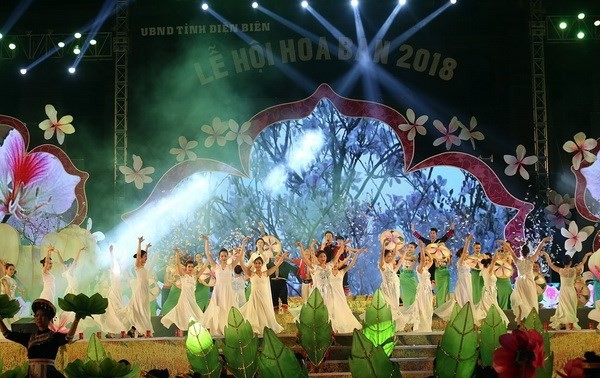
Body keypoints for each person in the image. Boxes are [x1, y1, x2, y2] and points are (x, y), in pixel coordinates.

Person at [0, 298, 81, 378]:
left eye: (42, 315)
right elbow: (7, 334)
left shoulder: (54, 336)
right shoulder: (29, 337)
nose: (39, 318)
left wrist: (76, 319)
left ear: (49, 319)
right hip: (32, 374)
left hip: (50, 374)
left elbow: (69, 337)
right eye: (37, 315)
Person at [200, 235, 247, 336]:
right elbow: (207, 254)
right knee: (218, 309)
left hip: (228, 291)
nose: (224, 257)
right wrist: (207, 241)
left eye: (225, 256)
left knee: (228, 309)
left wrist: (243, 243)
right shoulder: (215, 266)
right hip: (218, 291)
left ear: (228, 256)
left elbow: (240, 255)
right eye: (222, 256)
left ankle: (228, 328)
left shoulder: (231, 266)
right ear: (219, 257)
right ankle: (217, 329)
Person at [240, 253, 289, 335]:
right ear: (254, 264)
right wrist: (240, 256)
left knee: (264, 312)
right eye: (256, 263)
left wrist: (283, 257)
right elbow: (243, 266)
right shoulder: (251, 273)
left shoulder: (265, 273)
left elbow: (276, 266)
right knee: (254, 312)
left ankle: (265, 327)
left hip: (263, 296)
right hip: (254, 296)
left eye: (259, 263)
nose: (257, 265)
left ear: (262, 264)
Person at [506, 236, 552, 321]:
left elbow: (511, 251)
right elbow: (538, 249)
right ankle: (532, 321)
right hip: (529, 283)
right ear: (528, 252)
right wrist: (543, 240)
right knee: (531, 302)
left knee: (520, 302)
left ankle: (520, 322)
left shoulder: (517, 261)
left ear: (521, 252)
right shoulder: (531, 260)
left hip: (520, 283)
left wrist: (504, 243)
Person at [544, 251, 593, 330]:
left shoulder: (561, 270)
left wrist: (546, 255)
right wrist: (586, 254)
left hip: (563, 292)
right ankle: (569, 326)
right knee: (571, 308)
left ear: (563, 262)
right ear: (571, 262)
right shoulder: (574, 270)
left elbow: (550, 264)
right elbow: (583, 262)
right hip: (571, 291)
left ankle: (566, 325)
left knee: (564, 308)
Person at [161, 249, 207, 331]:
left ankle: (193, 331)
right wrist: (177, 254)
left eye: (192, 267)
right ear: (185, 267)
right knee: (183, 315)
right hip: (184, 299)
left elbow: (203, 268)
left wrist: (208, 257)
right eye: (189, 266)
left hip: (192, 299)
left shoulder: (195, 277)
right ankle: (182, 331)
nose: (190, 268)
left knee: (197, 315)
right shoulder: (183, 276)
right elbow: (178, 263)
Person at [434, 235, 474, 321]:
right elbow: (463, 254)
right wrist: (468, 241)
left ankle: (467, 315)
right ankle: (460, 315)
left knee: (468, 298)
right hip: (462, 283)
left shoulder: (467, 262)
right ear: (461, 254)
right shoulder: (460, 262)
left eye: (467, 252)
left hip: (468, 282)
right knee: (461, 299)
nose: (467, 254)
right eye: (465, 252)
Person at [122, 236, 154, 337]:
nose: (146, 258)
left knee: (143, 309)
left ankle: (134, 329)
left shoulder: (143, 267)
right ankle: (139, 330)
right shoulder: (138, 266)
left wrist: (147, 248)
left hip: (144, 289)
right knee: (140, 309)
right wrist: (139, 243)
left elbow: (144, 255)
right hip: (140, 290)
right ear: (140, 258)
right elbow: (139, 254)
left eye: (146, 257)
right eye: (144, 257)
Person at [327, 247, 363, 333]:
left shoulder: (342, 272)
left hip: (340, 295)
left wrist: (356, 255)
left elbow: (351, 264)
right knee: (333, 311)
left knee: (343, 309)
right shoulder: (327, 272)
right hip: (331, 295)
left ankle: (345, 326)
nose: (335, 264)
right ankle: (334, 328)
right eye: (334, 263)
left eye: (337, 263)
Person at [401, 240, 434, 332]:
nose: (426, 261)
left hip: (428, 291)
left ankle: (426, 327)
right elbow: (423, 260)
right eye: (425, 260)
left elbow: (431, 260)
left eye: (427, 260)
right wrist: (422, 249)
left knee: (428, 309)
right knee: (422, 308)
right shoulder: (419, 268)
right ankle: (419, 327)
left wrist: (426, 250)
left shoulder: (426, 268)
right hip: (422, 291)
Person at [96, 244, 125, 338]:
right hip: (113, 293)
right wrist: (111, 253)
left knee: (117, 312)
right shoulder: (114, 270)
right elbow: (113, 263)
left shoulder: (120, 271)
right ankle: (111, 332)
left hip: (118, 293)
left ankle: (111, 332)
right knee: (113, 312)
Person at [378, 242, 406, 332]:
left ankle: (393, 325)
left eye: (391, 256)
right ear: (384, 257)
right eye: (388, 256)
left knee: (396, 306)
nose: (390, 258)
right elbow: (382, 254)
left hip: (395, 288)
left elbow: (400, 260)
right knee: (390, 307)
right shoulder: (382, 266)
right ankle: (387, 325)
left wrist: (398, 247)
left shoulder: (392, 267)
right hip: (388, 289)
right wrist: (383, 246)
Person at [474, 254, 509, 326]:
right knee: (490, 306)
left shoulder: (485, 270)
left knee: (489, 306)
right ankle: (490, 322)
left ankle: (489, 322)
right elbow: (493, 262)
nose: (494, 266)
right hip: (489, 291)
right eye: (493, 264)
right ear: (490, 264)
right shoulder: (489, 270)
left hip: (491, 291)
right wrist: (496, 253)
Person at [493, 244, 513, 310]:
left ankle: (508, 310)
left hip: (506, 277)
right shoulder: (498, 255)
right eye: (505, 246)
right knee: (500, 294)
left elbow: (509, 265)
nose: (506, 248)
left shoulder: (510, 256)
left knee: (508, 292)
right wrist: (497, 251)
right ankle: (501, 310)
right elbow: (493, 262)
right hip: (498, 278)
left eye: (508, 246)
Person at [398, 242, 418, 306]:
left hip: (410, 275)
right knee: (405, 293)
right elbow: (399, 249)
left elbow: (406, 258)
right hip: (403, 275)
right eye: (409, 247)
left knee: (415, 290)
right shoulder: (405, 253)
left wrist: (403, 253)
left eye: (411, 247)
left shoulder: (415, 256)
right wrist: (397, 244)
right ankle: (407, 307)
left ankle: (414, 307)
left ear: (415, 249)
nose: (409, 248)